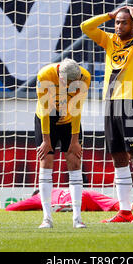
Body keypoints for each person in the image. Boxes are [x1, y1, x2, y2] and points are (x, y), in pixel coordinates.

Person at [80, 6, 133, 223]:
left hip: (132, 102)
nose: (119, 26)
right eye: (117, 23)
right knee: (118, 157)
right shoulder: (110, 40)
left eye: (124, 22)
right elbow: (86, 26)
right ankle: (124, 211)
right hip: (110, 103)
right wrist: (109, 15)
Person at [35, 58, 91, 229]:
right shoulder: (45, 75)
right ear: (59, 74)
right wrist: (46, 141)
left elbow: (77, 109)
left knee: (74, 161)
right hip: (47, 119)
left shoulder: (84, 77)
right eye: (65, 82)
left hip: (69, 120)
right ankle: (47, 218)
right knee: (46, 161)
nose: (68, 87)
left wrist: (75, 141)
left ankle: (77, 218)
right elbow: (45, 112)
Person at [5, 188, 133, 212]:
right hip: (86, 193)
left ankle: (67, 207)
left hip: (77, 199)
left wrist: (36, 206)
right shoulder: (57, 188)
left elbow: (12, 208)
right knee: (122, 205)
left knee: (119, 207)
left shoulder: (40, 196)